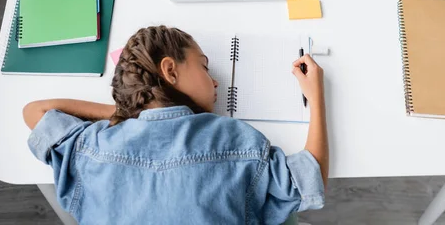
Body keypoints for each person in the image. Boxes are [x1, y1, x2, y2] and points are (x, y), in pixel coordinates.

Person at [23, 26, 328, 225]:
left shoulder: (96, 148)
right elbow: (309, 178)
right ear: (170, 70)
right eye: (204, 66)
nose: (215, 80)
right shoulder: (233, 139)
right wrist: (316, 98)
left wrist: (127, 112)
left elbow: (36, 111)